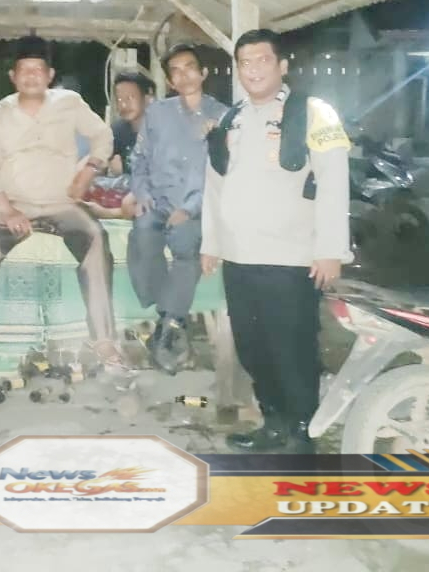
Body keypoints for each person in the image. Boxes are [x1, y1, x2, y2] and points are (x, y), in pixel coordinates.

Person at [200, 29, 351, 454]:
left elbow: (334, 181)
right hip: (239, 256)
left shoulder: (313, 113)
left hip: (290, 258)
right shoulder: (231, 119)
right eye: (245, 62)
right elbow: (214, 184)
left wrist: (331, 249)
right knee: (253, 348)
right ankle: (274, 423)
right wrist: (211, 242)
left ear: (282, 66)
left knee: (292, 348)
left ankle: (303, 432)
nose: (253, 70)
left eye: (262, 60)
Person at [0, 36, 125, 371]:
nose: (31, 76)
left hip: (63, 204)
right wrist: (6, 209)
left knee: (95, 236)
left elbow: (102, 135)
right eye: (24, 70)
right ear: (13, 76)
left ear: (50, 75)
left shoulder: (69, 103)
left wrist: (91, 168)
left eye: (38, 69)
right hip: (15, 204)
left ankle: (104, 339)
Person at [127, 44, 227, 373]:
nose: (184, 76)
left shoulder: (223, 116)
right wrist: (141, 193)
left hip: (198, 205)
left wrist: (190, 207)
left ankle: (169, 323)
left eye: (189, 67)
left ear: (203, 73)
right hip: (158, 201)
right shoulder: (157, 113)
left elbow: (222, 172)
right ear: (170, 81)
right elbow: (139, 159)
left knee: (186, 244)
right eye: (176, 71)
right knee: (142, 234)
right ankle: (166, 311)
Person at [110, 71, 155, 177]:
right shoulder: (118, 131)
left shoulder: (163, 130)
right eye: (119, 99)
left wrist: (123, 173)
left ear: (147, 98)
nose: (123, 105)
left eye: (130, 98)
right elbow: (98, 161)